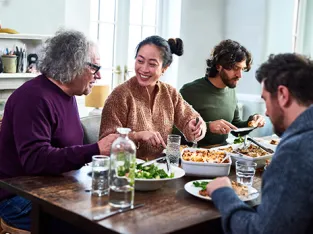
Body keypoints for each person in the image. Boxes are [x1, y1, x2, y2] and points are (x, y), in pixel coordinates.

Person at [0, 30, 118, 232]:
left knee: (115, 211)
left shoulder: (69, 95)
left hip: (55, 188)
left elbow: (67, 151)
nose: (99, 75)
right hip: (17, 198)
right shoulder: (33, 98)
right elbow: (36, 160)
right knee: (94, 225)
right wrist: (95, 149)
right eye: (94, 67)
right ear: (73, 65)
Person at [206, 53, 313, 234]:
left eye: (265, 99)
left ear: (283, 95)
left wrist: (223, 193)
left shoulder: (294, 151)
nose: (267, 112)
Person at [99, 35, 206, 160]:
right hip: (127, 172)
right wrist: (137, 136)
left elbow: (190, 120)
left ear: (164, 68)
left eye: (152, 64)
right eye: (140, 61)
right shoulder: (119, 95)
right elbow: (105, 146)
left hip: (161, 169)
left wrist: (197, 127)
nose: (144, 69)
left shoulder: (170, 93)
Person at [176, 39, 265, 146]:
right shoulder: (189, 91)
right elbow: (174, 132)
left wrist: (252, 121)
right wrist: (208, 127)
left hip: (222, 155)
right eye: (235, 68)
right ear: (219, 66)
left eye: (242, 69)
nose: (240, 75)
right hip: (193, 156)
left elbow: (236, 127)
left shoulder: (231, 90)